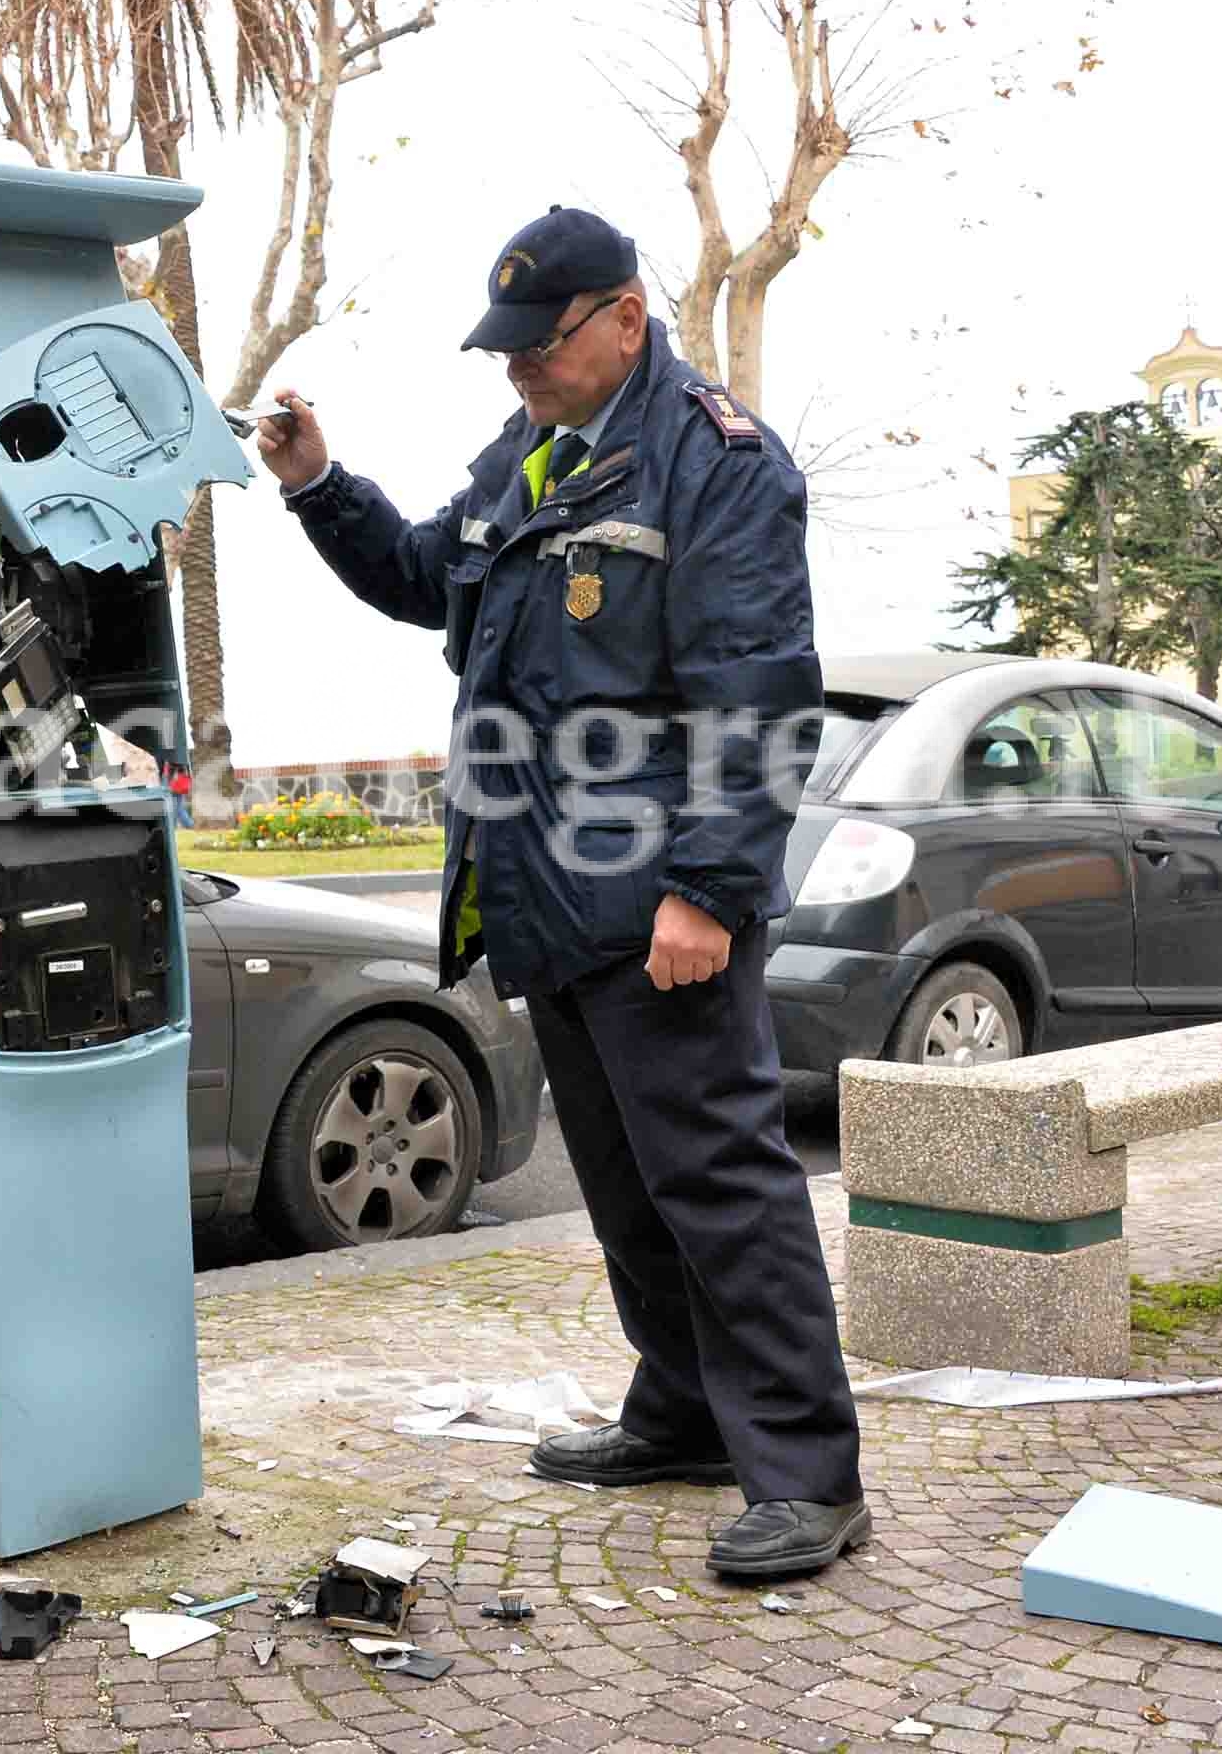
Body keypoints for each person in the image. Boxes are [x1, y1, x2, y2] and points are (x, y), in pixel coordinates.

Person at [255, 206, 867, 1580]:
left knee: (721, 1182)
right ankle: (684, 1409)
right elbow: (427, 575)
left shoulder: (716, 465)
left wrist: (709, 890)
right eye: (508, 349)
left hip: (659, 902)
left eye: (542, 342)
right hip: (546, 894)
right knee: (625, 1184)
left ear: (625, 318)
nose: (518, 368)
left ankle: (808, 1470)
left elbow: (758, 696)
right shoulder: (538, 454)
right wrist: (317, 484)